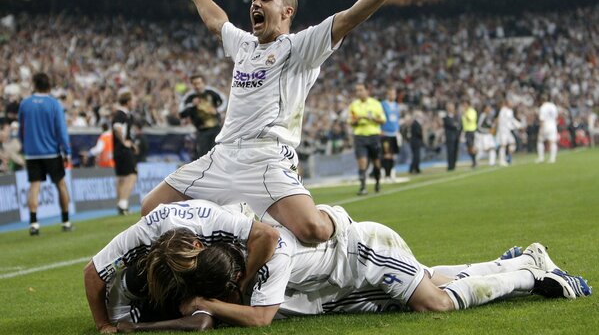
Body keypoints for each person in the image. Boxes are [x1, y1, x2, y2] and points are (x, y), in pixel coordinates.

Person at [140, 0, 423, 244]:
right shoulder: (245, 44)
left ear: (287, 11)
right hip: (221, 155)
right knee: (151, 210)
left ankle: (338, 218)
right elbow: (216, 22)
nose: (255, 4)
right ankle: (232, 230)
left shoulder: (299, 47)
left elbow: (349, 18)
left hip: (266, 156)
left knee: (313, 231)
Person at [134, 221, 590, 331]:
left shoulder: (266, 255)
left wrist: (207, 305)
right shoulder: (231, 240)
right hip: (339, 286)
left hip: (363, 253)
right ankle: (514, 262)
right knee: (429, 278)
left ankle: (529, 275)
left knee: (436, 302)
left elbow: (260, 318)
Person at [83, 199, 279, 333]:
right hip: (136, 285)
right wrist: (103, 325)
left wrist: (243, 283)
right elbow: (93, 272)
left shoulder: (216, 223)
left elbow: (268, 236)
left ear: (199, 245)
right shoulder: (143, 235)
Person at [18, 72, 72, 235]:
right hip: (51, 152)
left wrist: (25, 145)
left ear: (34, 84)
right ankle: (66, 221)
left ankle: (33, 223)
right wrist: (67, 150)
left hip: (32, 153)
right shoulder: (54, 104)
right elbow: (61, 130)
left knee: (34, 186)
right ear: (48, 85)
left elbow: (21, 129)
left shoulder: (25, 104)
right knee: (61, 185)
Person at [348, 83, 386, 195]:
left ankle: (377, 183)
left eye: (361, 90)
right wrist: (358, 119)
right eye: (357, 90)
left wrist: (372, 118)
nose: (359, 92)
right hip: (360, 136)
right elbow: (351, 121)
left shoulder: (376, 104)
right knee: (362, 161)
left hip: (373, 135)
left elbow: (383, 119)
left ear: (367, 91)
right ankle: (363, 187)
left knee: (376, 162)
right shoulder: (354, 105)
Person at [179, 74, 225, 159]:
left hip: (216, 128)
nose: (197, 86)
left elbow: (224, 101)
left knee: (217, 155)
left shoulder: (212, 92)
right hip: (201, 130)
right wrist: (192, 104)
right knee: (203, 156)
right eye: (194, 84)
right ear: (192, 85)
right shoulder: (189, 97)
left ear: (203, 83)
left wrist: (217, 110)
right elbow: (181, 112)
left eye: (199, 83)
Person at [112, 90, 138, 215]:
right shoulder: (121, 114)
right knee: (132, 175)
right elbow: (117, 128)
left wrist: (131, 144)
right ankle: (123, 203)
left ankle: (121, 205)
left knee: (121, 177)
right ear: (128, 102)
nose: (134, 103)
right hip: (122, 150)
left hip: (118, 150)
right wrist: (124, 142)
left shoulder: (125, 114)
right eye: (133, 100)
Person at [380, 87, 401, 182]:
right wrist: (380, 129)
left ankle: (392, 173)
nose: (393, 95)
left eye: (394, 94)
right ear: (387, 94)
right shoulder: (383, 105)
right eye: (391, 94)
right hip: (385, 133)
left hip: (394, 133)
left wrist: (398, 130)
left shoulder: (396, 105)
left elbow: (397, 119)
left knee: (392, 154)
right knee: (386, 154)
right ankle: (385, 173)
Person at [496, 99, 521, 167]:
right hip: (503, 130)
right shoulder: (503, 110)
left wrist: (519, 125)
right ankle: (501, 160)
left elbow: (512, 120)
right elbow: (500, 120)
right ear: (507, 104)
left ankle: (508, 158)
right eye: (511, 103)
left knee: (513, 143)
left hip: (508, 130)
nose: (512, 104)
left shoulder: (510, 111)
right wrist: (499, 130)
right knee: (503, 145)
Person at [536, 95, 559, 164]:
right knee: (553, 142)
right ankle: (552, 158)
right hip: (553, 125)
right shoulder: (553, 106)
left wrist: (542, 129)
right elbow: (556, 117)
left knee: (540, 141)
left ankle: (541, 158)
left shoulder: (542, 107)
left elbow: (542, 119)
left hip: (545, 125)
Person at [443, 103, 461, 171]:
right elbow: (452, 125)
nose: (452, 109)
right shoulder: (446, 118)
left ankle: (453, 165)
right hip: (450, 138)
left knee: (455, 152)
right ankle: (450, 166)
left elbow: (458, 125)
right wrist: (456, 125)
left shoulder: (455, 117)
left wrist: (456, 125)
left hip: (456, 137)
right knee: (450, 152)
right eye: (451, 108)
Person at [460, 100, 477, 168]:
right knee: (469, 148)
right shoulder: (465, 112)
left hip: (471, 130)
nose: (464, 106)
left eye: (465, 105)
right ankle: (474, 161)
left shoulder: (471, 111)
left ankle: (475, 161)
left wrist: (465, 114)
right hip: (466, 131)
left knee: (471, 146)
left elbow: (470, 120)